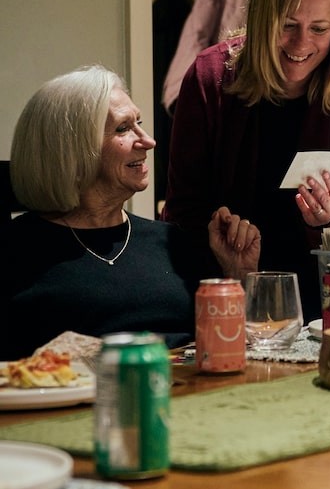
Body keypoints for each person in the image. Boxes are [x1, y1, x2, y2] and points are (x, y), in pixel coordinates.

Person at [163, 0, 330, 318]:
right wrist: (223, 246)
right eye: (288, 25)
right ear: (262, 17)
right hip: (218, 288)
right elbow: (182, 208)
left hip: (315, 299)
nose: (302, 44)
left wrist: (329, 219)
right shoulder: (209, 78)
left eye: (319, 29)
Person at [2, 66, 260, 359]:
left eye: (139, 122)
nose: (148, 141)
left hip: (193, 395)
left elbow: (228, 347)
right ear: (70, 151)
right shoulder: (13, 250)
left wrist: (237, 275)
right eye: (124, 128)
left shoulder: (174, 241)